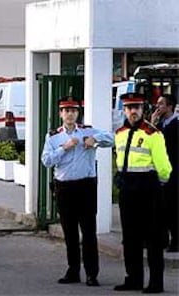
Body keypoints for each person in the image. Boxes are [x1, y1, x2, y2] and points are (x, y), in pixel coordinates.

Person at [41, 96, 114, 287]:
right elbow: (46, 161)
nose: (70, 114)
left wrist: (95, 139)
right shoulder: (53, 137)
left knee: (89, 231)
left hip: (86, 186)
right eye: (66, 111)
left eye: (73, 110)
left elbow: (112, 138)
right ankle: (73, 270)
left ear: (78, 113)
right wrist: (64, 148)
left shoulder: (88, 130)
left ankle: (92, 273)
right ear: (60, 114)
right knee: (70, 232)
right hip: (64, 187)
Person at [114, 93, 172, 294]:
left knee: (153, 239)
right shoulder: (119, 133)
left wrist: (158, 185)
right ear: (124, 110)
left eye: (137, 107)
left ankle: (156, 282)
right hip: (127, 191)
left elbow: (164, 167)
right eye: (129, 107)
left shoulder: (153, 134)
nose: (133, 111)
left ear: (143, 109)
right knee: (130, 238)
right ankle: (133, 279)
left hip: (148, 192)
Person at [151, 94, 178, 253]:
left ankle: (176, 240)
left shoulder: (176, 125)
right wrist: (153, 122)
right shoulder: (160, 125)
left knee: (173, 208)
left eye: (161, 104)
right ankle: (162, 239)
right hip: (160, 172)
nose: (157, 106)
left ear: (169, 106)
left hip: (174, 173)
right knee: (161, 207)